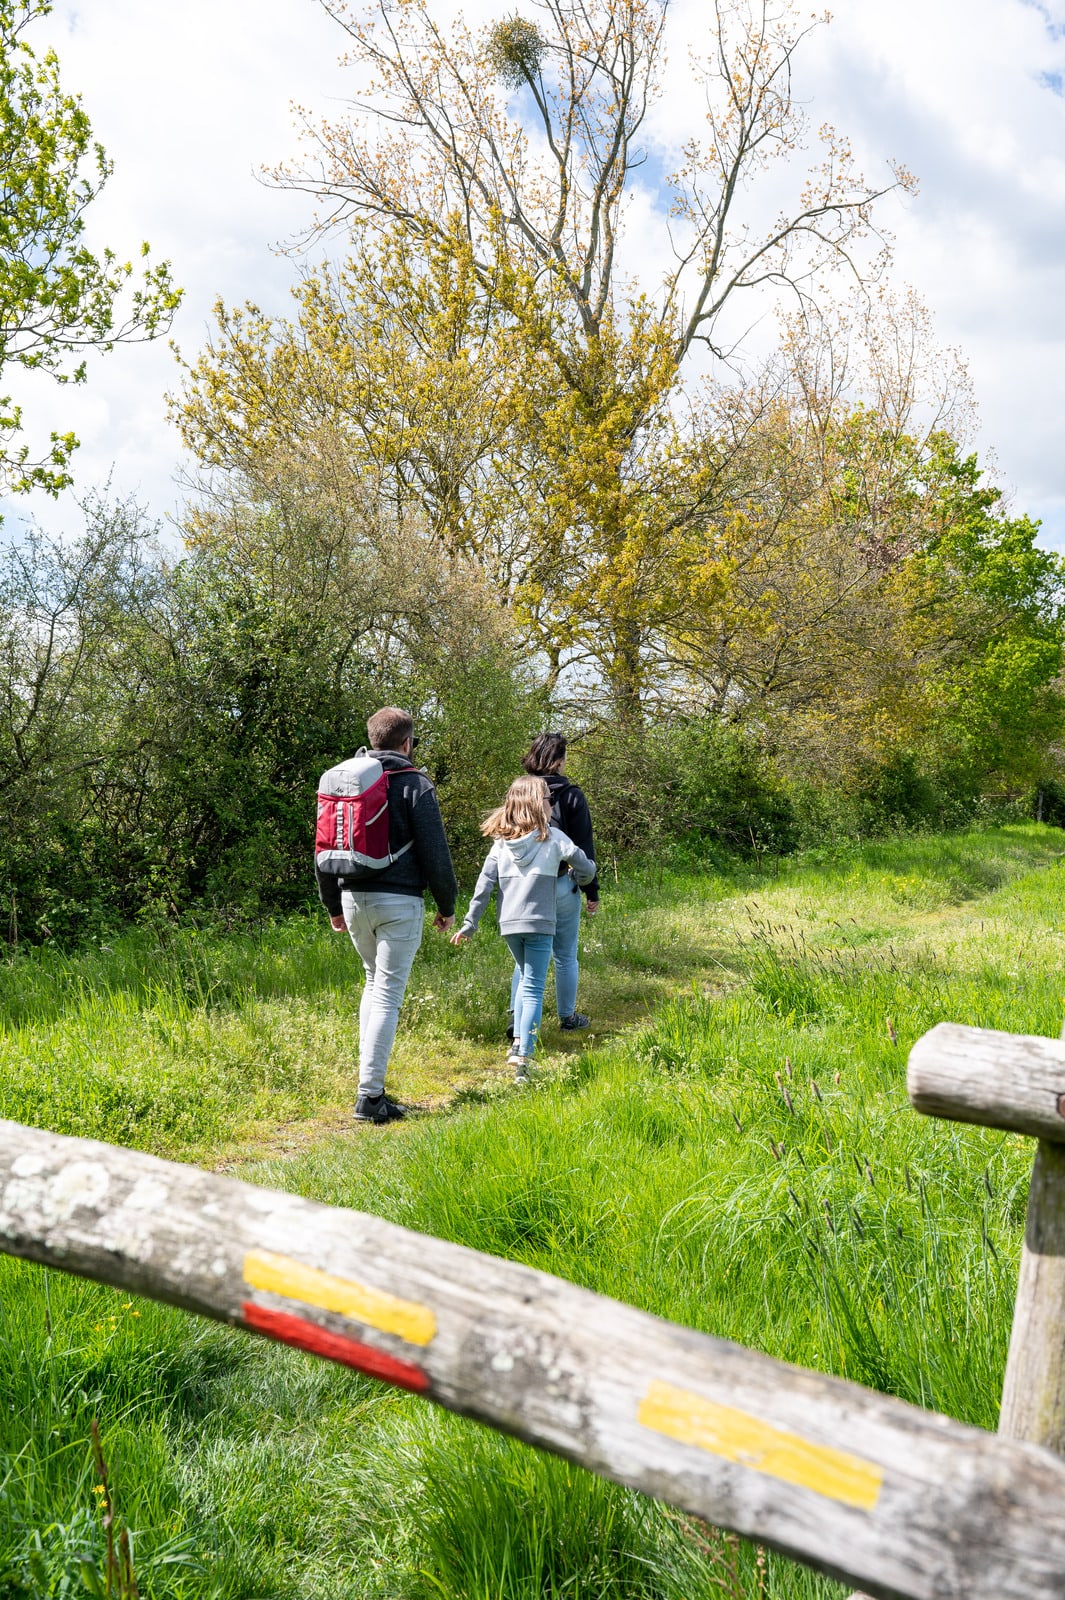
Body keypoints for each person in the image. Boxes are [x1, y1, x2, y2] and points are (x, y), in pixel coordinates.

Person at [316, 707, 457, 1124]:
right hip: (398, 902)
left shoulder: (344, 781)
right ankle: (370, 1096)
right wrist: (447, 904)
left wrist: (332, 904)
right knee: (388, 995)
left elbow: (324, 847)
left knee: (373, 983)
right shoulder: (415, 783)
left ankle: (370, 1083)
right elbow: (435, 850)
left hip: (352, 897)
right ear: (407, 743)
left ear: (373, 739)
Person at [451, 775, 596, 1080]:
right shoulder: (554, 838)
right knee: (533, 986)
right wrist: (579, 878)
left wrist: (469, 924)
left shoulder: (500, 844)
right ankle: (524, 1057)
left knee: (524, 978)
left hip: (510, 925)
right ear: (536, 804)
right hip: (540, 922)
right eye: (548, 799)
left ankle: (517, 1040)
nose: (551, 804)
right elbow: (586, 865)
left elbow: (484, 886)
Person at [511, 731, 600, 1034]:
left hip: (524, 886)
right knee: (565, 954)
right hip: (562, 882)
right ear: (560, 760)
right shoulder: (572, 795)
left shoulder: (519, 792)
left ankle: (517, 1018)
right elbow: (584, 849)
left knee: (525, 959)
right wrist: (592, 890)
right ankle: (567, 1017)